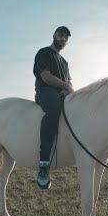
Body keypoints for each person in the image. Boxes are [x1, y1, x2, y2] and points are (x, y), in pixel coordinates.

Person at [33, 26, 74, 189]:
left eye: (66, 37)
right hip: (46, 92)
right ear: (54, 36)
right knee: (54, 110)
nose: (63, 38)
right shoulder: (43, 53)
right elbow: (46, 77)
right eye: (61, 35)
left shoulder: (65, 62)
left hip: (62, 94)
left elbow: (69, 83)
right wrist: (67, 87)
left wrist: (72, 92)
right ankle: (43, 164)